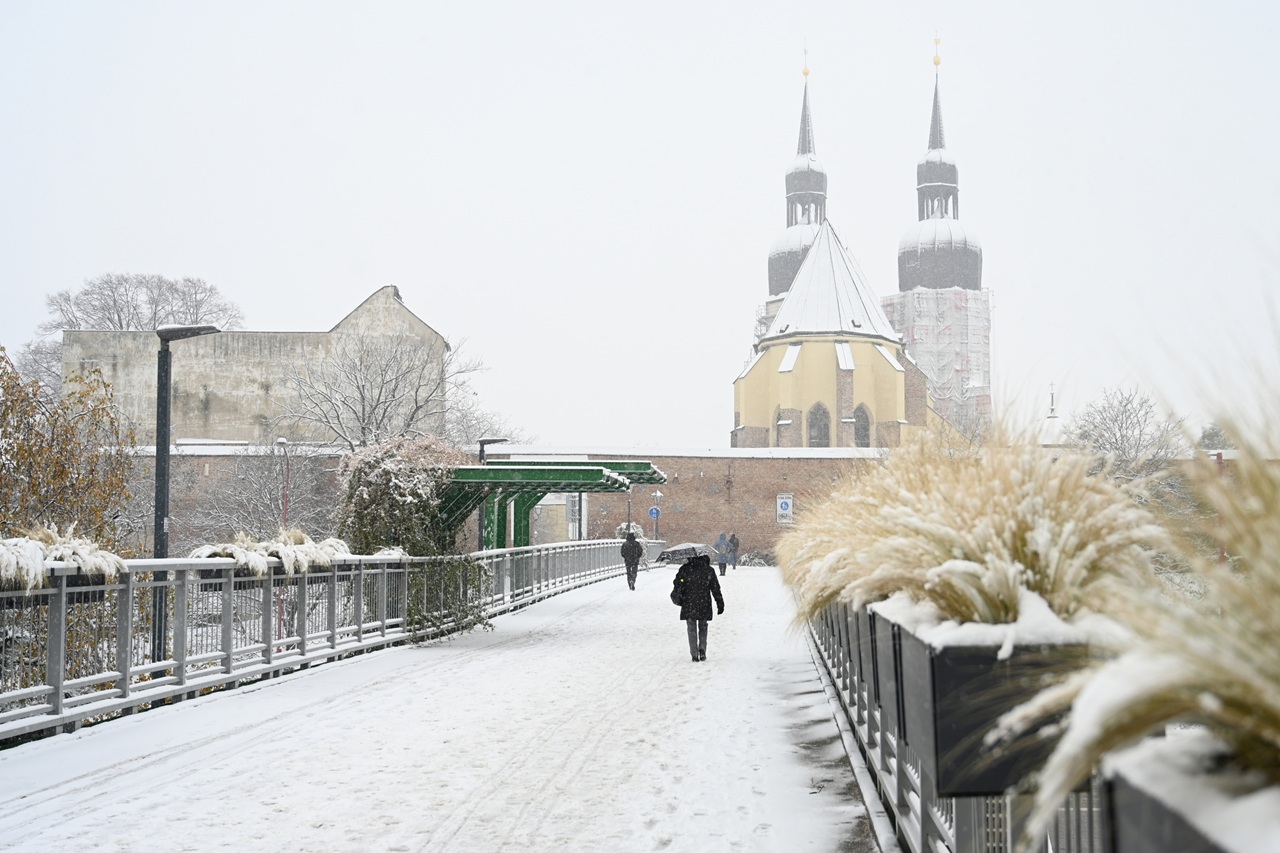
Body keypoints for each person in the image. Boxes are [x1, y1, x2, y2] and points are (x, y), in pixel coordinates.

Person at [672, 554, 724, 662]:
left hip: (689, 602)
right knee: (703, 627)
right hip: (703, 603)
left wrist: (681, 581)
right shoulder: (708, 570)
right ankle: (702, 649)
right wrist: (720, 603)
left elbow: (678, 583)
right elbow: (715, 588)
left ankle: (694, 653)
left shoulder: (685, 569)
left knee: (691, 628)